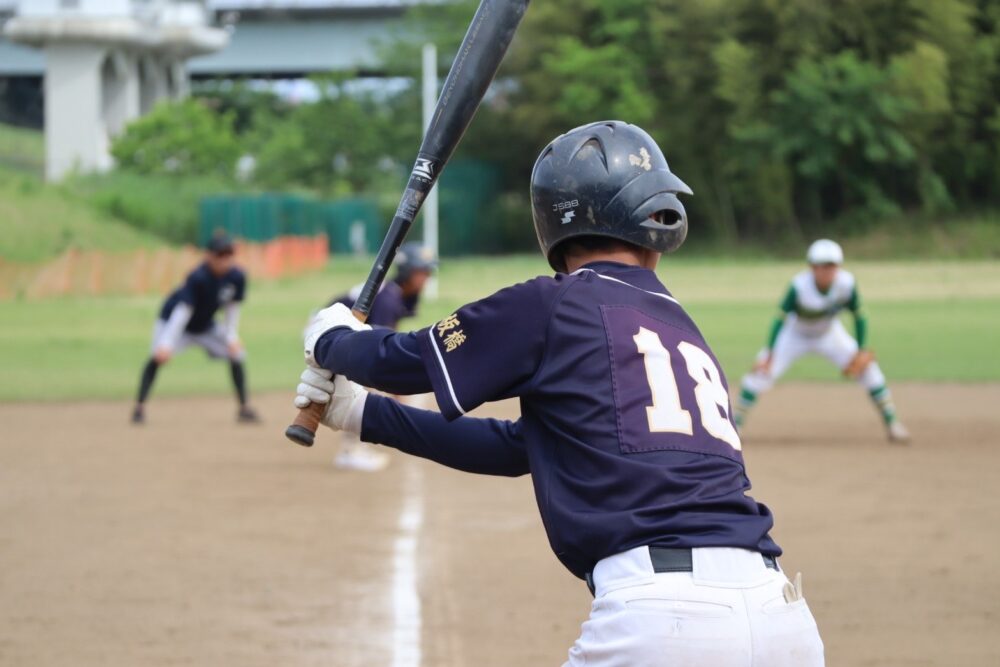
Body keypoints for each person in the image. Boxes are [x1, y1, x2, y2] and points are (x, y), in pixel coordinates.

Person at [294, 121, 824, 665]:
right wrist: (358, 412)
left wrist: (330, 337)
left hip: (661, 619)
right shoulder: (681, 328)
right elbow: (517, 448)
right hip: (782, 615)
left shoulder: (554, 304)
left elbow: (404, 362)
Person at [733, 239, 909, 443]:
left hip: (829, 334)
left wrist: (861, 349)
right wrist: (770, 353)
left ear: (839, 267)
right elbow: (779, 318)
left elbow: (859, 315)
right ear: (812, 267)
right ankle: (735, 427)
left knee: (869, 370)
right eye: (821, 266)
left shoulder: (847, 284)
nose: (826, 271)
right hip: (794, 335)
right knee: (760, 373)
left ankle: (893, 424)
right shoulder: (799, 286)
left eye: (831, 266)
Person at [325, 242, 437, 471]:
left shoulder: (398, 294)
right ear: (407, 272)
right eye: (421, 272)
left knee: (365, 379)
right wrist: (398, 392)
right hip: (325, 334)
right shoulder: (388, 299)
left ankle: (354, 448)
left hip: (341, 335)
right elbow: (381, 353)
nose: (426, 278)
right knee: (363, 384)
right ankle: (350, 451)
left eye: (428, 272)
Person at [131, 235, 258, 424]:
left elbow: (232, 309)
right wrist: (166, 344)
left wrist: (231, 337)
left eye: (228, 254)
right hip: (173, 323)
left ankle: (244, 409)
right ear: (208, 256)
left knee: (237, 354)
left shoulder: (236, 276)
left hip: (205, 325)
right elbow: (183, 311)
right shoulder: (198, 277)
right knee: (157, 357)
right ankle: (139, 408)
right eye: (220, 254)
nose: (224, 259)